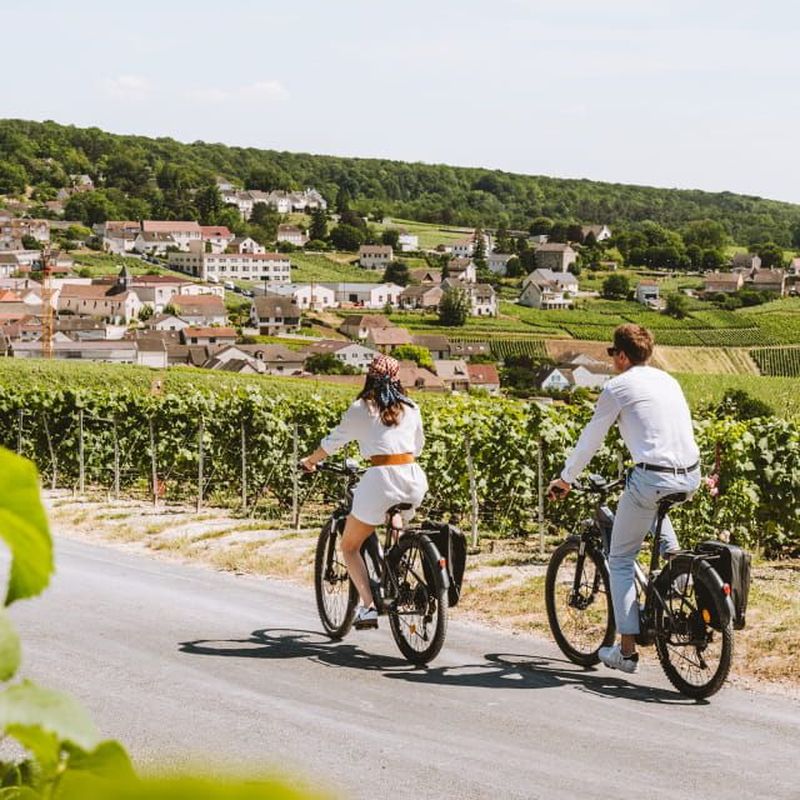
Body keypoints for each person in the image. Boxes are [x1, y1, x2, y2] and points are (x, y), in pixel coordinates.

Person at [548, 324, 701, 674]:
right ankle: (679, 580)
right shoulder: (668, 380)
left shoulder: (617, 388)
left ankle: (627, 651)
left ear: (621, 356)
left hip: (651, 477)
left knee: (619, 559)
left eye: (613, 355)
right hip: (688, 475)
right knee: (655, 515)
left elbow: (590, 440)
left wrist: (565, 478)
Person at [301, 353, 428, 630]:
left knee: (349, 546)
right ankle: (395, 571)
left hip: (380, 478)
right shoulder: (412, 407)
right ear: (397, 380)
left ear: (369, 376)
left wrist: (311, 461)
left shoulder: (362, 408)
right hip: (413, 477)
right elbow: (417, 447)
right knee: (395, 515)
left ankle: (369, 607)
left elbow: (332, 442)